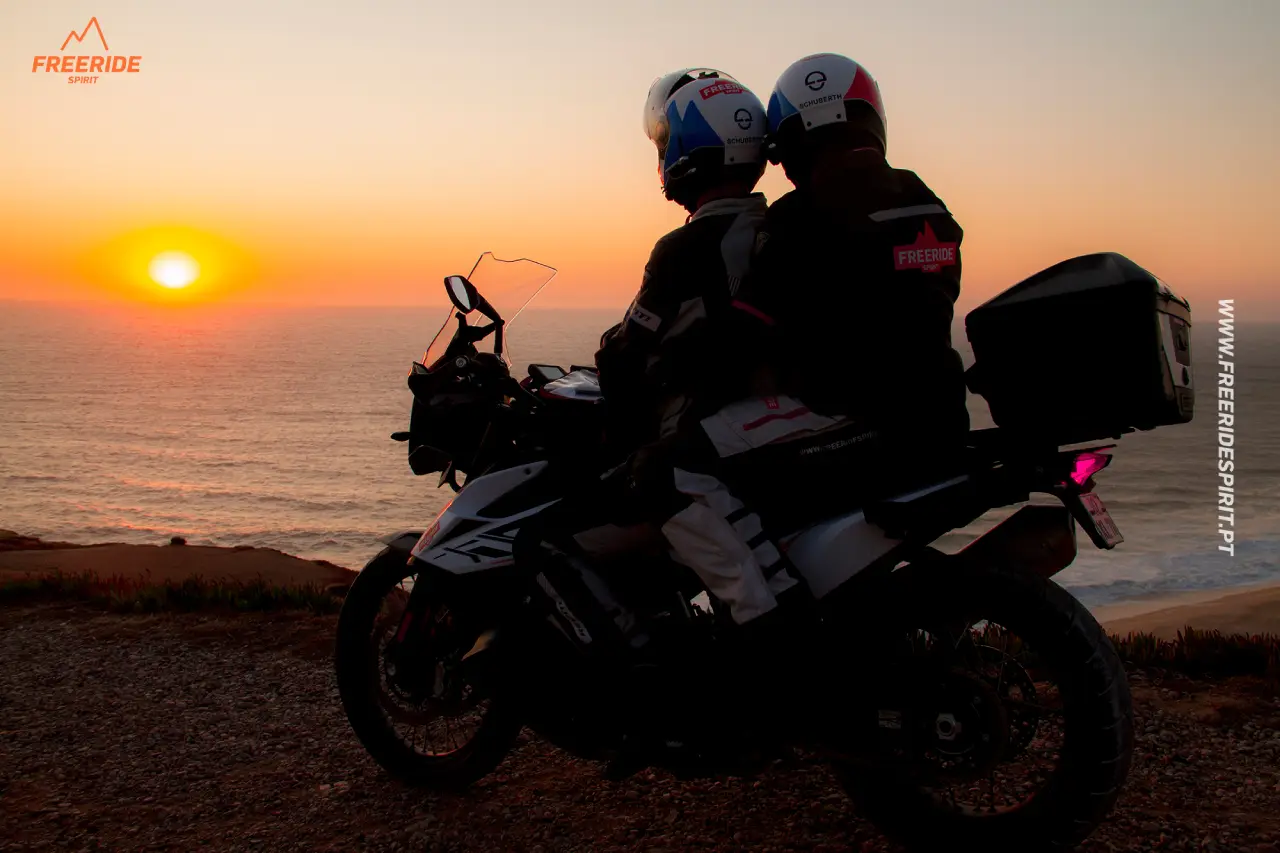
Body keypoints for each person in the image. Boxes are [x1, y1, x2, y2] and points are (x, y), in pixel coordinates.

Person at [725, 52, 971, 512]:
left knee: (680, 464)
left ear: (795, 139)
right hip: (939, 419)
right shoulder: (926, 201)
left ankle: (756, 587)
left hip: (848, 424)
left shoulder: (798, 218)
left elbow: (747, 338)